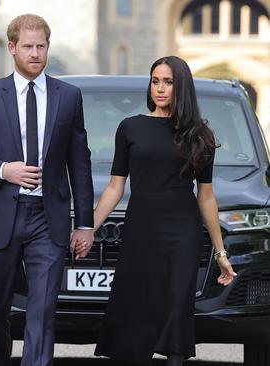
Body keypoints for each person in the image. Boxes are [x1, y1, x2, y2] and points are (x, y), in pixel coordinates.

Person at [0, 14, 94, 366]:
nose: (35, 53)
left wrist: (86, 223)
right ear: (12, 47)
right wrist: (3, 170)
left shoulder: (68, 96)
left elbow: (80, 164)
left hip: (49, 219)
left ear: (48, 47)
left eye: (41, 46)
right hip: (1, 214)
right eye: (28, 46)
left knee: (42, 311)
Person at [89, 56, 237, 365]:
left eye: (168, 82)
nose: (160, 88)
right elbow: (115, 187)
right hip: (141, 229)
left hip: (182, 233)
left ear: (181, 87)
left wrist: (221, 254)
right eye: (155, 81)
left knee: (177, 307)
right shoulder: (130, 128)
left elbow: (206, 197)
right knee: (136, 306)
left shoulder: (200, 136)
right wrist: (88, 228)